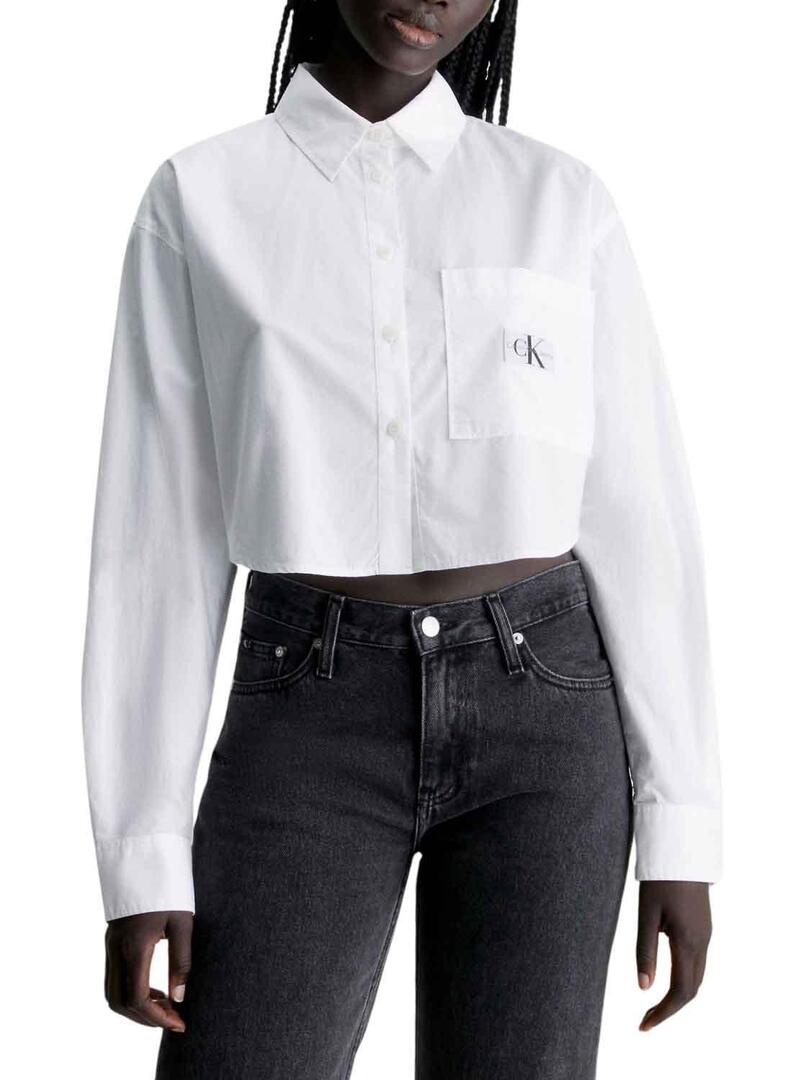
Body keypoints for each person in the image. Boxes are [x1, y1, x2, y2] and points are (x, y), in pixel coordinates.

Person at [81, 2, 723, 1077]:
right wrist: (141, 854)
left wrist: (682, 827)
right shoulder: (202, 196)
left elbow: (636, 512)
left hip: (549, 718)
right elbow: (156, 536)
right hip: (307, 713)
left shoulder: (557, 201)